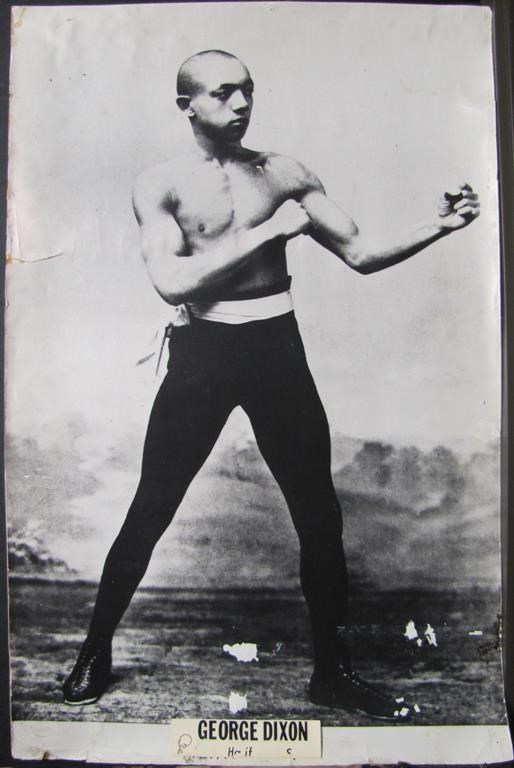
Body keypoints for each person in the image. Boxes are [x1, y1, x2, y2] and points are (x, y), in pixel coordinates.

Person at [62, 49, 480, 720]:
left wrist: (440, 225)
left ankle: (333, 675)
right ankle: (93, 650)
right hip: (204, 350)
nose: (241, 104)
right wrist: (270, 232)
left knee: (320, 515)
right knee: (153, 503)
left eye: (248, 91)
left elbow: (363, 255)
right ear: (187, 107)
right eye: (223, 93)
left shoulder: (286, 173)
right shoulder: (160, 184)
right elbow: (171, 282)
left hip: (276, 348)